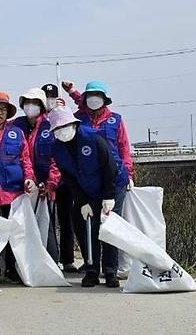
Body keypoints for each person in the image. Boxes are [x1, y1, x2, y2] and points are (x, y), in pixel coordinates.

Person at [48, 105, 125, 288]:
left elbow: (109, 167)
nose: (62, 130)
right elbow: (69, 177)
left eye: (65, 125)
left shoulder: (93, 138)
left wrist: (109, 195)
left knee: (108, 229)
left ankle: (110, 271)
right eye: (58, 128)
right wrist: (82, 201)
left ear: (74, 124)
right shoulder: (58, 148)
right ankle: (92, 270)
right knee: (88, 229)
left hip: (111, 185)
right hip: (86, 190)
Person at [0, 91, 36, 284]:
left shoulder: (17, 133)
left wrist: (29, 178)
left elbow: (25, 160)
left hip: (13, 194)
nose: (0, 113)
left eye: (4, 109)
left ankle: (12, 269)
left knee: (13, 235)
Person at [12, 87, 61, 259]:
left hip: (44, 186)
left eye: (34, 102)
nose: (30, 106)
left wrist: (50, 184)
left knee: (46, 222)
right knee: (24, 225)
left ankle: (51, 261)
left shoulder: (51, 125)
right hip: (23, 185)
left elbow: (57, 158)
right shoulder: (16, 125)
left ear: (41, 105)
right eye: (27, 102)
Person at [62, 80, 134, 191]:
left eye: (97, 95)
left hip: (115, 176)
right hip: (87, 178)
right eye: (90, 95)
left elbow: (124, 148)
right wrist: (71, 92)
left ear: (104, 98)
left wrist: (129, 174)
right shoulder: (77, 119)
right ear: (85, 98)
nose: (94, 99)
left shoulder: (115, 120)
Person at [42, 82, 77, 272]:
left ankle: (68, 259)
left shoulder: (64, 115)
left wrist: (71, 94)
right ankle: (50, 259)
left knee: (66, 221)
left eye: (52, 97)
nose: (50, 100)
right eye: (46, 97)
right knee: (46, 221)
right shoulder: (38, 121)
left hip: (65, 179)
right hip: (45, 181)